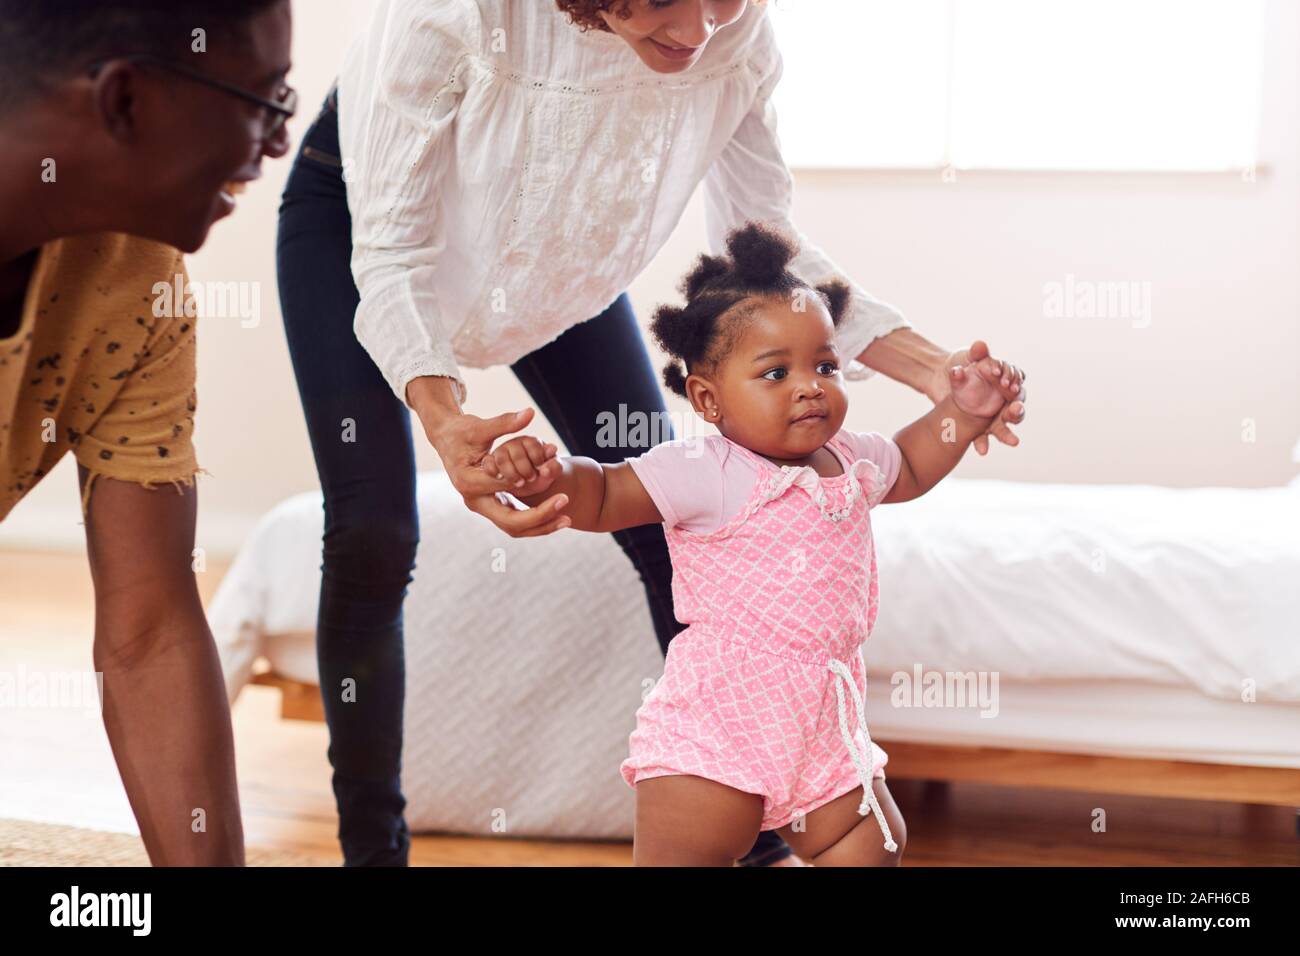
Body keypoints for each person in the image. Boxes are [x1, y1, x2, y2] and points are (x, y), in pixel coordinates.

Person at [276, 0, 1026, 866]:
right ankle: (375, 852)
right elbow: (396, 258)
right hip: (365, 230)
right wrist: (447, 421)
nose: (703, 28)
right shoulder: (457, 14)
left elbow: (771, 252)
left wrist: (937, 375)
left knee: (667, 531)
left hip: (559, 263)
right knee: (375, 529)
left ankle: (750, 819)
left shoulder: (735, 33)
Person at [506, 222, 1018, 865]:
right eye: (775, 372)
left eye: (825, 366)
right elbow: (606, 494)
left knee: (874, 843)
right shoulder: (704, 470)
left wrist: (965, 413)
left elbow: (912, 466)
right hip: (719, 728)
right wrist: (546, 477)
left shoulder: (850, 460)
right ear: (708, 399)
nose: (809, 385)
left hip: (822, 729)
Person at [0, 0, 295, 865]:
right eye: (263, 99)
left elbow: (150, 630)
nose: (276, 142)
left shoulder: (136, 277)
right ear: (126, 100)